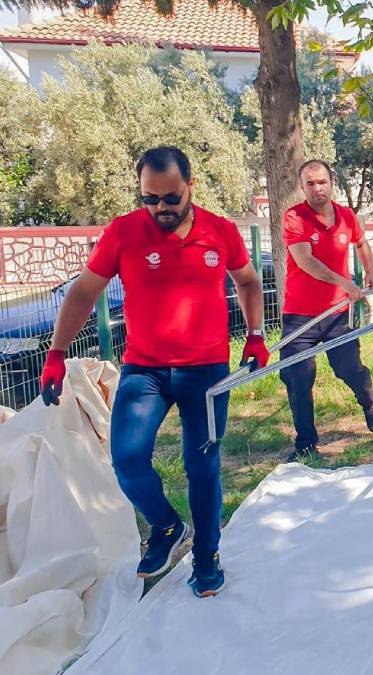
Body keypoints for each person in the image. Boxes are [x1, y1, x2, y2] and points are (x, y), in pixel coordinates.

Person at [39, 146, 268, 598]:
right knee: (126, 459)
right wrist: (56, 353)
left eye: (170, 198)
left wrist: (256, 335)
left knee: (202, 466)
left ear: (190, 187)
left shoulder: (220, 232)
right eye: (150, 198)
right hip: (144, 370)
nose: (161, 208)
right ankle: (166, 525)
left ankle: (207, 556)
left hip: (205, 372)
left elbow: (247, 281)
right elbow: (84, 291)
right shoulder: (123, 232)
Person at [279, 159, 373, 462]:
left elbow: (361, 243)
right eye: (310, 183)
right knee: (297, 378)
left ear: (331, 183)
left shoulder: (346, 216)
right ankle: (307, 443)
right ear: (302, 187)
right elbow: (305, 261)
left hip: (338, 313)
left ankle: (369, 399)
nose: (317, 188)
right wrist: (345, 282)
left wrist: (370, 272)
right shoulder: (294, 217)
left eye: (322, 182)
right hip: (300, 315)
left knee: (348, 369)